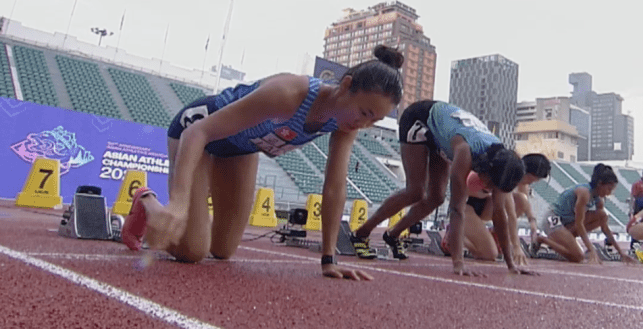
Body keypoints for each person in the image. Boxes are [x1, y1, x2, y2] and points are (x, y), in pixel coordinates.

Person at [123, 45, 406, 282]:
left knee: (222, 250)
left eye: (374, 121)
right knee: (193, 251)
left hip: (240, 148)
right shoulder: (288, 94)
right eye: (365, 112)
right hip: (198, 130)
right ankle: (147, 201)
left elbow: (334, 186)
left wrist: (329, 259)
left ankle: (192, 222)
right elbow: (198, 132)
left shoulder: (346, 125)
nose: (363, 124)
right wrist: (180, 203)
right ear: (346, 87)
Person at [348, 100, 530, 276]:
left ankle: (393, 235)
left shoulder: (503, 165)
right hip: (419, 119)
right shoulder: (465, 151)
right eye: (490, 184)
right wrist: (458, 264)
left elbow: (500, 215)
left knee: (436, 198)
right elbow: (457, 210)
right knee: (415, 191)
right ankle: (361, 234)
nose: (489, 189)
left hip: (442, 132)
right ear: (486, 168)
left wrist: (511, 264)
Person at [447, 153, 551, 266]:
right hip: (464, 208)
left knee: (521, 200)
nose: (530, 184)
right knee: (489, 254)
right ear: (527, 173)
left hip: (483, 204)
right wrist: (516, 247)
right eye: (531, 181)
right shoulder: (506, 173)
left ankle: (493, 236)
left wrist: (533, 225)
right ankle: (453, 237)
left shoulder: (517, 175)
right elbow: (510, 214)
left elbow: (525, 205)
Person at [539, 164, 635, 264]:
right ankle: (542, 240)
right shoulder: (584, 193)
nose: (609, 193)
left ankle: (563, 240)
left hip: (566, 223)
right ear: (600, 184)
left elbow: (605, 228)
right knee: (579, 257)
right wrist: (591, 249)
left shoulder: (599, 200)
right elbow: (579, 224)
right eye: (608, 189)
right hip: (553, 219)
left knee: (602, 215)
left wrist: (621, 253)